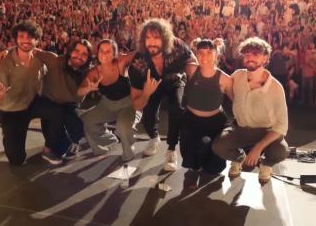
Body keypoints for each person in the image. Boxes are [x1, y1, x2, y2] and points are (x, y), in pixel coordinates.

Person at [212, 37, 290, 183]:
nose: (250, 58)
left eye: (255, 54)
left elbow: (281, 126)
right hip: (242, 129)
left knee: (281, 151)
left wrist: (258, 148)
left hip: (266, 131)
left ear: (265, 57)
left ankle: (266, 164)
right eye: (247, 54)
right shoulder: (237, 76)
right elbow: (220, 80)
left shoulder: (275, 87)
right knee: (219, 146)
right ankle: (239, 158)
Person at [0, 21, 65, 165]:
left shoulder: (39, 58)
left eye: (30, 37)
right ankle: (9, 136)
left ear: (36, 40)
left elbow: (57, 60)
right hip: (11, 110)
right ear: (16, 39)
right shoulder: (5, 62)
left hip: (31, 103)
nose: (25, 40)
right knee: (16, 159)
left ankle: (48, 149)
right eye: (21, 36)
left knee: (57, 111)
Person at [128, 18, 197, 171]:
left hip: (174, 80)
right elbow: (135, 103)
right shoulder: (138, 62)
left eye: (156, 37)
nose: (151, 42)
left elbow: (191, 59)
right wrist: (146, 94)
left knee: (177, 108)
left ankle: (172, 149)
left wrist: (193, 80)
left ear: (165, 38)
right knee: (148, 114)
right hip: (151, 85)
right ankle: (154, 137)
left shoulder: (177, 45)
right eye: (148, 38)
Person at [77, 39, 136, 161]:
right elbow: (79, 91)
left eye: (108, 51)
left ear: (114, 53)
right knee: (87, 119)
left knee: (123, 126)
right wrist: (88, 88)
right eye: (101, 51)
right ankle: (108, 143)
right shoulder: (95, 72)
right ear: (97, 53)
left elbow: (136, 53)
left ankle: (128, 154)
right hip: (107, 105)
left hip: (128, 104)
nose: (104, 54)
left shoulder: (121, 62)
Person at [181, 38, 232, 175]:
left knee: (214, 169)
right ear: (196, 55)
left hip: (215, 123)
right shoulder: (191, 70)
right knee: (193, 163)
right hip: (192, 122)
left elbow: (237, 102)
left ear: (216, 54)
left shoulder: (224, 78)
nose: (204, 57)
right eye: (200, 53)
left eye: (209, 52)